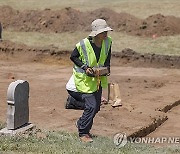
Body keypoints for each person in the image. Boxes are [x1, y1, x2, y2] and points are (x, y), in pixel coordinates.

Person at [66, 18, 113, 143]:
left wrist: (106, 69)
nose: (106, 34)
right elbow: (73, 56)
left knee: (96, 107)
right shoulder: (83, 44)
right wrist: (85, 67)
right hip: (83, 81)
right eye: (104, 32)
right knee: (91, 106)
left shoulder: (108, 42)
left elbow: (107, 56)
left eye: (106, 31)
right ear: (96, 33)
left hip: (96, 80)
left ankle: (80, 120)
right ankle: (83, 133)